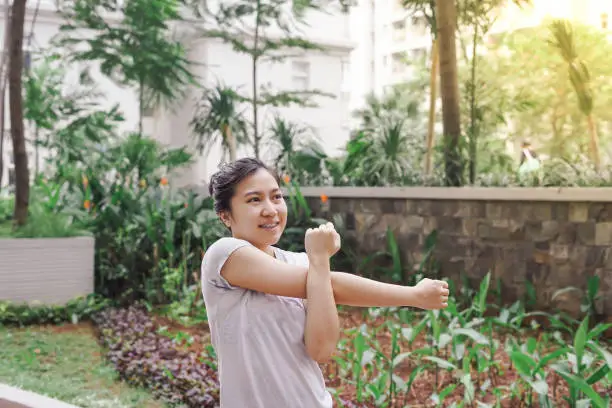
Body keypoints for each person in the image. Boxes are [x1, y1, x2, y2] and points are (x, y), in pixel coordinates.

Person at [201, 157, 450, 408]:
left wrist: (317, 263)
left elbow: (322, 351)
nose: (271, 209)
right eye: (254, 199)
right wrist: (413, 296)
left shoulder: (301, 264)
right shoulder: (224, 255)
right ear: (225, 215)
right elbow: (333, 285)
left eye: (276, 197)